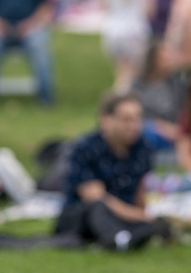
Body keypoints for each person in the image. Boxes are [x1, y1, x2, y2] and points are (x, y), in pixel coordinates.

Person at [54, 92, 167, 251]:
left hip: (123, 216)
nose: (134, 126)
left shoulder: (143, 147)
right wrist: (138, 216)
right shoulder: (84, 148)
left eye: (137, 119)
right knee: (98, 207)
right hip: (80, 219)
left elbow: (139, 191)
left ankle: (127, 236)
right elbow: (95, 197)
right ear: (106, 120)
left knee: (149, 224)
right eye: (126, 119)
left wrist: (143, 216)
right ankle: (120, 239)